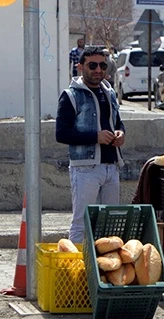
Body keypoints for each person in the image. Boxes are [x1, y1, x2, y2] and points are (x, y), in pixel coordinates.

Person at [55, 47, 126, 243]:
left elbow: (117, 121)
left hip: (111, 165)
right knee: (81, 223)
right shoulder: (70, 95)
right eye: (92, 65)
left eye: (102, 65)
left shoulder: (109, 92)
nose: (98, 70)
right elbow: (61, 133)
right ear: (80, 67)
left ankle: (104, 269)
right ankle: (76, 270)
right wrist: (95, 137)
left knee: (112, 224)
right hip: (85, 168)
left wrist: (121, 133)